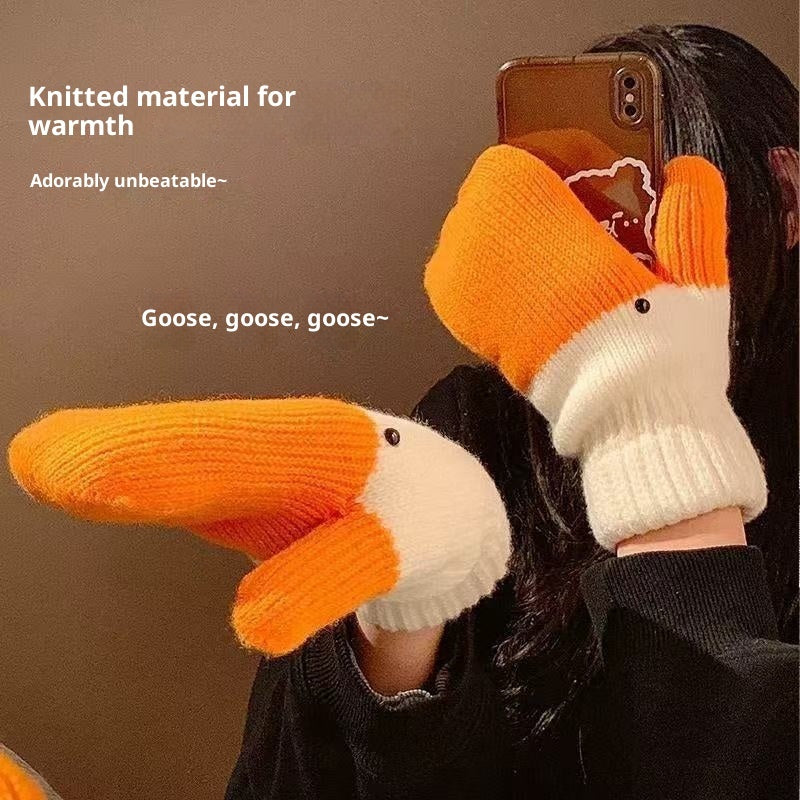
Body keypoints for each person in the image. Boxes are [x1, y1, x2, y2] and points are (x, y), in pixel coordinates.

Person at [223, 24, 799, 800]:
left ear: (787, 199)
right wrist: (398, 637)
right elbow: (294, 773)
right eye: (580, 198)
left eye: (647, 196)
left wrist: (656, 427)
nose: (611, 236)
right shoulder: (475, 425)